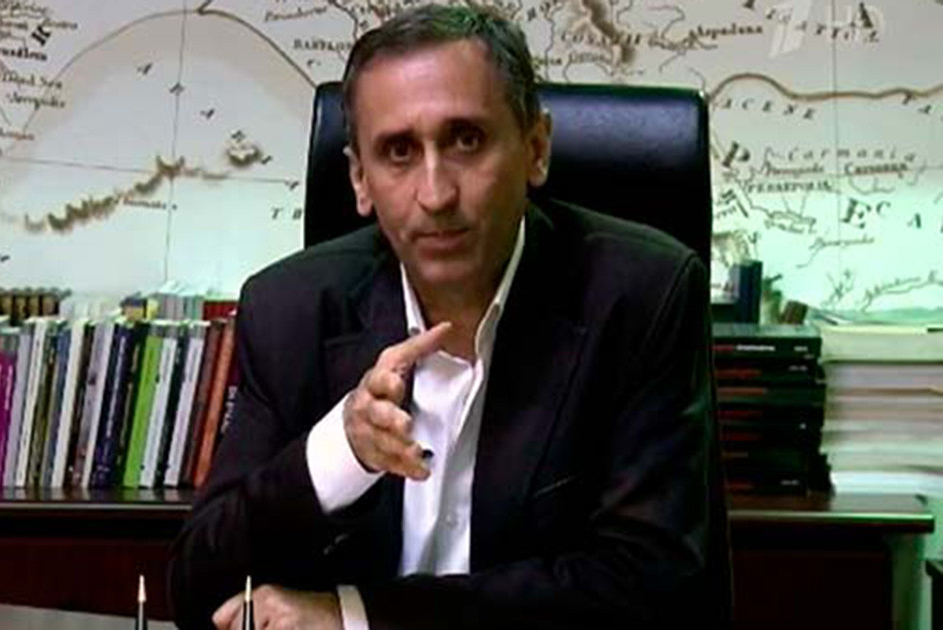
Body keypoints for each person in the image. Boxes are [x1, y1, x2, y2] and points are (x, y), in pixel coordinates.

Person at [171, 5, 725, 629]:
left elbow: (650, 589)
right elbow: (198, 589)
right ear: (359, 179)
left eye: (466, 141)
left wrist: (354, 619)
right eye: (398, 151)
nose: (435, 194)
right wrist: (341, 452)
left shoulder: (641, 297)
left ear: (536, 149)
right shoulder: (291, 309)